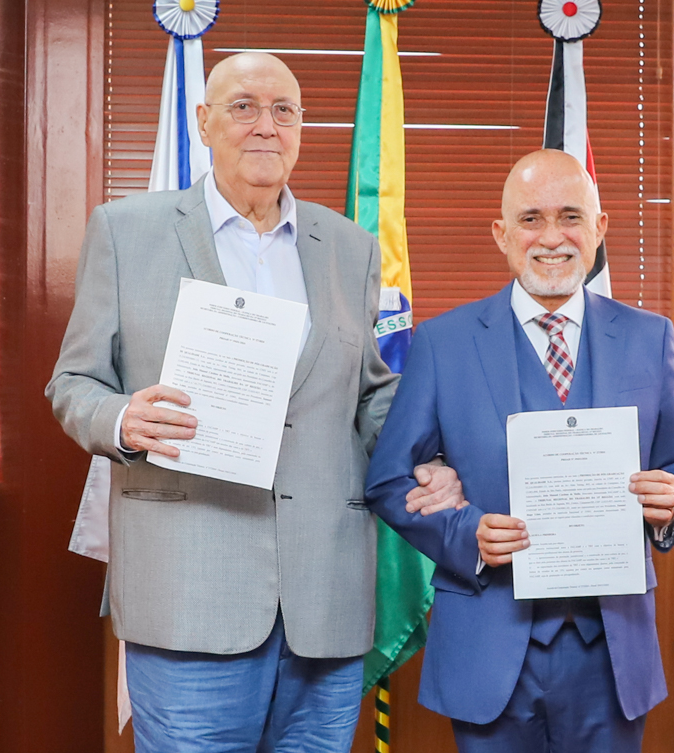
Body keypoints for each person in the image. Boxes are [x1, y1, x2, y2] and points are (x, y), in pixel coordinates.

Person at [46, 52, 461, 753]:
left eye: (284, 110)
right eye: (243, 107)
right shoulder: (125, 231)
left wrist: (433, 456)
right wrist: (122, 418)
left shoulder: (350, 248)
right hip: (188, 592)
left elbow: (369, 397)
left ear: (301, 129)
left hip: (324, 598)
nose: (265, 125)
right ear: (205, 122)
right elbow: (73, 382)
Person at [365, 149, 674, 753]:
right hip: (486, 645)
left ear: (600, 229)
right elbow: (390, 479)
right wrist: (466, 533)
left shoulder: (647, 337)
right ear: (501, 234)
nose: (552, 238)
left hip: (612, 649)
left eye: (571, 216)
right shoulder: (443, 343)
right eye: (530, 219)